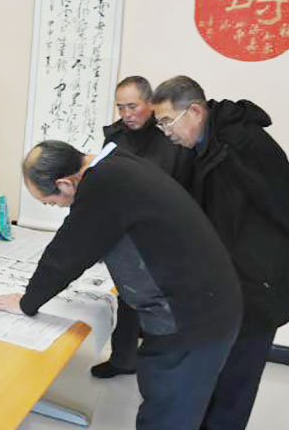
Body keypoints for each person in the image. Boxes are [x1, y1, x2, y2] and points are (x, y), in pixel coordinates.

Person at [0, 140, 242, 429]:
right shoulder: (118, 165)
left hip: (192, 319)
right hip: (207, 303)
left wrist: (26, 303)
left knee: (168, 412)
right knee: (176, 402)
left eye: (51, 202)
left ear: (65, 184)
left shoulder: (103, 185)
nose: (57, 207)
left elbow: (66, 254)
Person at [151, 76, 289, 429]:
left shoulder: (241, 144)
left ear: (195, 111)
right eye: (160, 124)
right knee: (215, 369)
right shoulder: (201, 147)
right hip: (229, 280)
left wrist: (285, 258)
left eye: (167, 121)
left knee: (237, 379)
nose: (165, 132)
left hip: (261, 280)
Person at [93, 75, 194, 379]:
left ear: (150, 103)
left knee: (162, 306)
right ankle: (123, 359)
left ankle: (161, 369)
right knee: (128, 298)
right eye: (121, 107)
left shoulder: (170, 136)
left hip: (166, 233)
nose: (126, 114)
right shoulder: (115, 138)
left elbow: (185, 185)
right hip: (127, 234)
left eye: (133, 106)